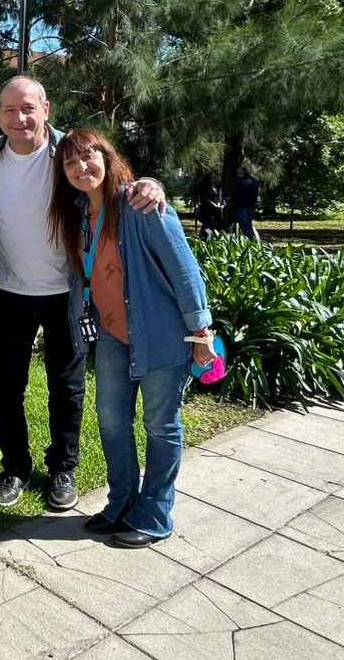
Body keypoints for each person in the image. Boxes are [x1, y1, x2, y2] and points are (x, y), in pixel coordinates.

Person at [0, 76, 164, 512]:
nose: (19, 118)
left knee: (66, 387)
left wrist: (150, 183)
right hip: (7, 290)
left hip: (68, 293)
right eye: (9, 110)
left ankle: (62, 469)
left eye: (28, 108)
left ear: (45, 110)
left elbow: (112, 182)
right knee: (6, 387)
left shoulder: (69, 152)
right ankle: (14, 467)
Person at [50, 128, 215, 548]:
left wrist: (200, 330)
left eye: (88, 156)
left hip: (162, 335)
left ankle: (155, 514)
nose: (81, 167)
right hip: (111, 336)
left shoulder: (141, 206)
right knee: (111, 421)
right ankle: (123, 502)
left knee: (160, 424)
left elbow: (184, 269)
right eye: (70, 162)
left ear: (106, 158)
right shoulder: (77, 216)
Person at [232, 162, 261, 241]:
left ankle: (247, 240)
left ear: (243, 173)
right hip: (251, 206)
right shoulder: (255, 181)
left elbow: (239, 195)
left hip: (243, 206)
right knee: (248, 224)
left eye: (239, 173)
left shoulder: (243, 182)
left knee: (244, 225)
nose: (237, 175)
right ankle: (251, 239)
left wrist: (232, 200)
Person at [196, 171, 225, 240]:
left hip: (217, 210)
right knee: (208, 224)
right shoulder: (204, 188)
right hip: (208, 210)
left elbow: (220, 197)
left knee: (217, 225)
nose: (213, 179)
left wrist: (221, 204)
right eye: (212, 178)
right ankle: (204, 239)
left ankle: (216, 239)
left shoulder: (217, 187)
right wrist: (214, 205)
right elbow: (204, 199)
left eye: (214, 178)